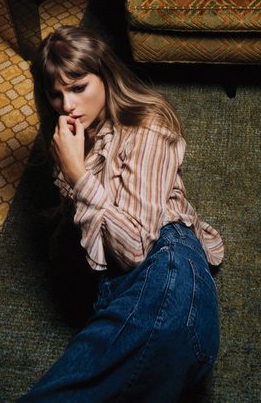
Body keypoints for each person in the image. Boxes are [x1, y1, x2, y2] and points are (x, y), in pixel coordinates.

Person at [19, 25, 224, 402]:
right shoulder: (72, 139)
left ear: (106, 76)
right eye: (56, 94)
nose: (67, 105)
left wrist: (77, 175)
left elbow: (133, 250)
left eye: (78, 87)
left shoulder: (147, 126)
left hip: (168, 266)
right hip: (119, 295)